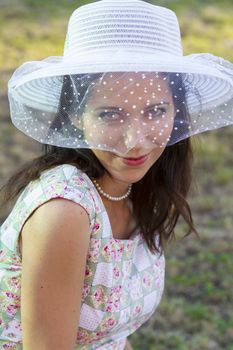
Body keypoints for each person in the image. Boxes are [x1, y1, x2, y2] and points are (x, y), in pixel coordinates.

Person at [0, 0, 233, 349]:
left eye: (155, 111)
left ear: (177, 111)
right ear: (76, 117)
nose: (135, 142)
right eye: (110, 114)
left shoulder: (133, 188)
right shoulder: (64, 212)